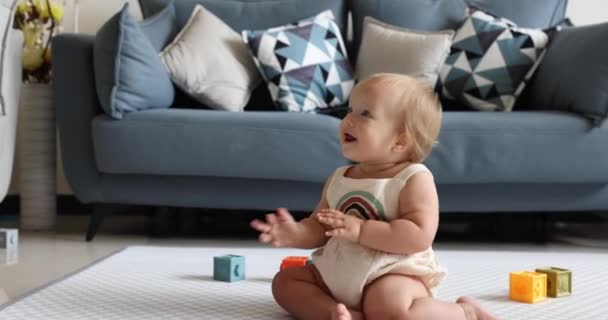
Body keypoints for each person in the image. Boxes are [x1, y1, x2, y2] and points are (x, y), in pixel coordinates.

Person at [250, 74, 498, 320]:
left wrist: (361, 230)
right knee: (286, 282)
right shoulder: (340, 177)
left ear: (400, 141)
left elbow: (418, 236)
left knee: (389, 309)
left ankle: (464, 312)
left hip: (391, 272)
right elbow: (320, 225)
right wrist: (297, 233)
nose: (348, 119)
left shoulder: (413, 178)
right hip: (339, 269)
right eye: (350, 109)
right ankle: (338, 313)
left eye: (365, 114)